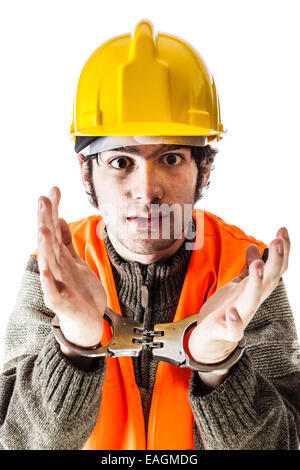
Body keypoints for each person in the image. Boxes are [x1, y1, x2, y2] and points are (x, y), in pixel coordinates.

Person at [1, 20, 299, 451]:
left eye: (172, 157)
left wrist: (220, 367)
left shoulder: (246, 276)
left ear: (205, 171)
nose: (147, 189)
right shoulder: (55, 273)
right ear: (87, 174)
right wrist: (76, 348)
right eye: (121, 161)